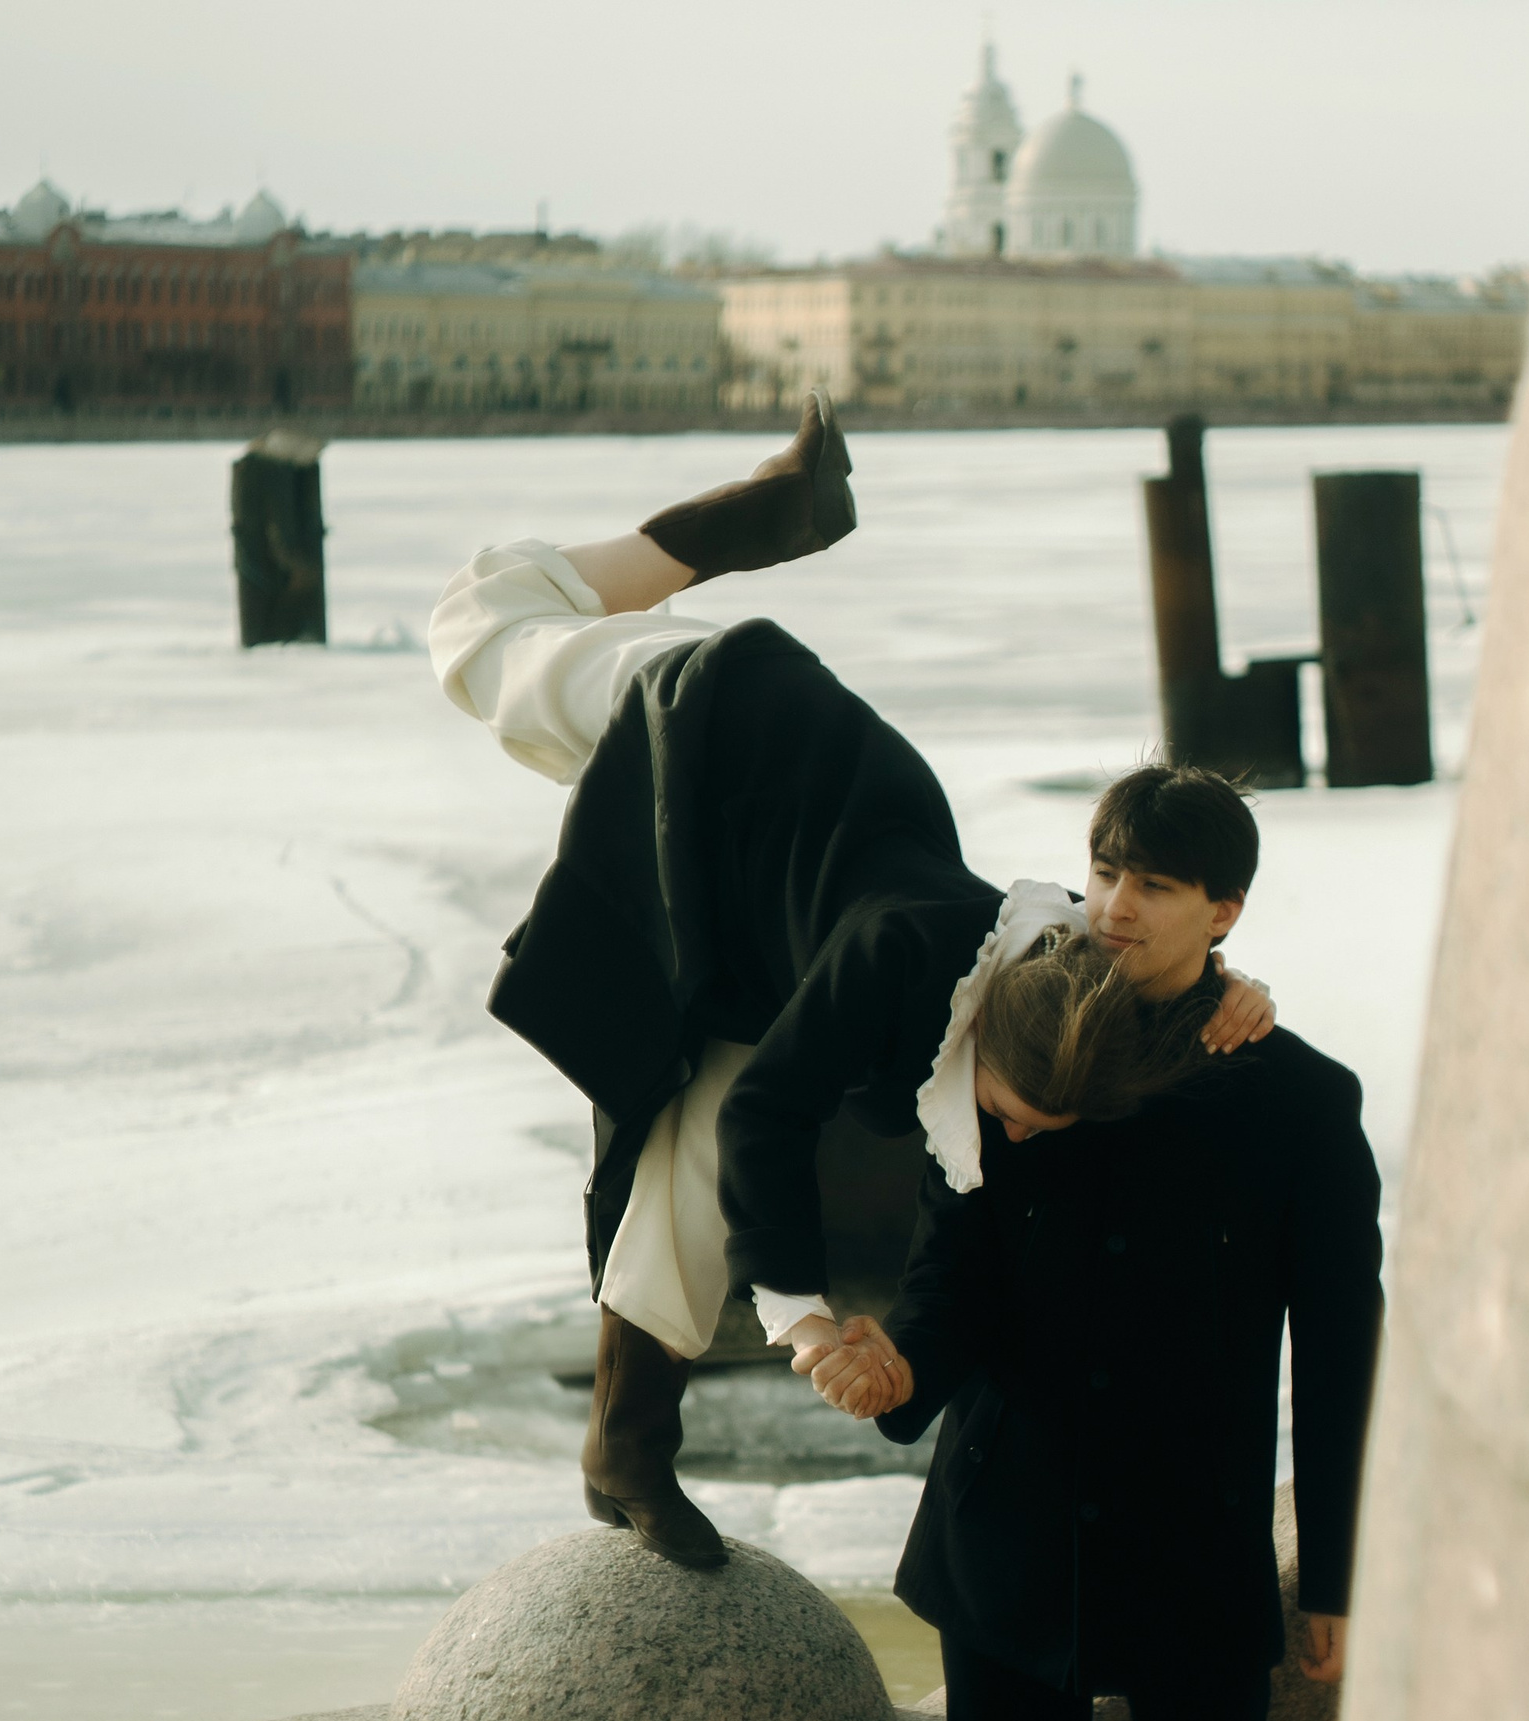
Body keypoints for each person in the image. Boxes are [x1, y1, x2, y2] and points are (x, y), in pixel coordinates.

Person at [428, 397, 1275, 1568]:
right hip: (713, 721)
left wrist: (1232, 989)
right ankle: (734, 524)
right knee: (476, 632)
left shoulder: (1068, 978)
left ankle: (624, 1443)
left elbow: (1151, 942)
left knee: (690, 1154)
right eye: (1021, 1120)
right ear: (982, 1063)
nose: (1023, 1139)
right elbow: (777, 1114)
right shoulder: (903, 952)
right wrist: (805, 1316)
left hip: (781, 908)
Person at [801, 765, 1384, 1721]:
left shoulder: (1301, 1101)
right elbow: (960, 1259)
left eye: (1158, 886)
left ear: (1224, 912)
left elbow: (1341, 1342)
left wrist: (1335, 1563)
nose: (1117, 905)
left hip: (1188, 1533)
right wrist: (903, 1358)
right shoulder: (1024, 1033)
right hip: (1011, 1521)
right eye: (1107, 872)